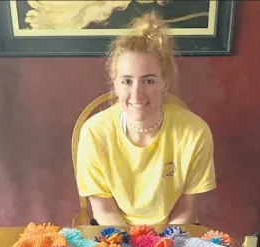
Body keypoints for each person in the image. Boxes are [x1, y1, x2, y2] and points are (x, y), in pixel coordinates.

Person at [76, 11, 216, 226]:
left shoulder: (195, 132)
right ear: (114, 83)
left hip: (173, 232)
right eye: (126, 81)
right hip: (113, 233)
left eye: (148, 81)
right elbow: (104, 211)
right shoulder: (94, 132)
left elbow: (185, 210)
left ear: (165, 84)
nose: (137, 94)